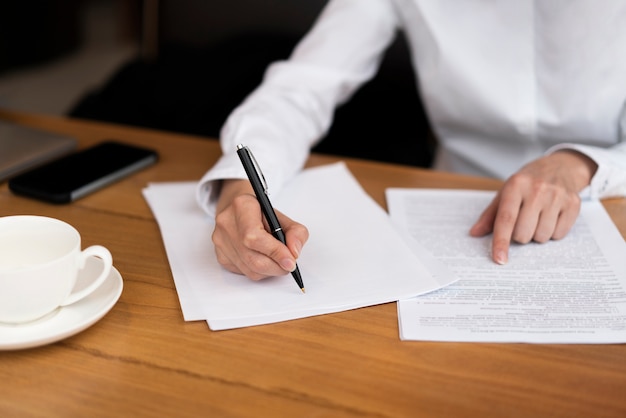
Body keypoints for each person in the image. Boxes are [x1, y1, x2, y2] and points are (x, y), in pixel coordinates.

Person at [196, 0, 626, 280]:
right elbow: (303, 87)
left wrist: (579, 165)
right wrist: (240, 186)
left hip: (610, 200)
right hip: (451, 213)